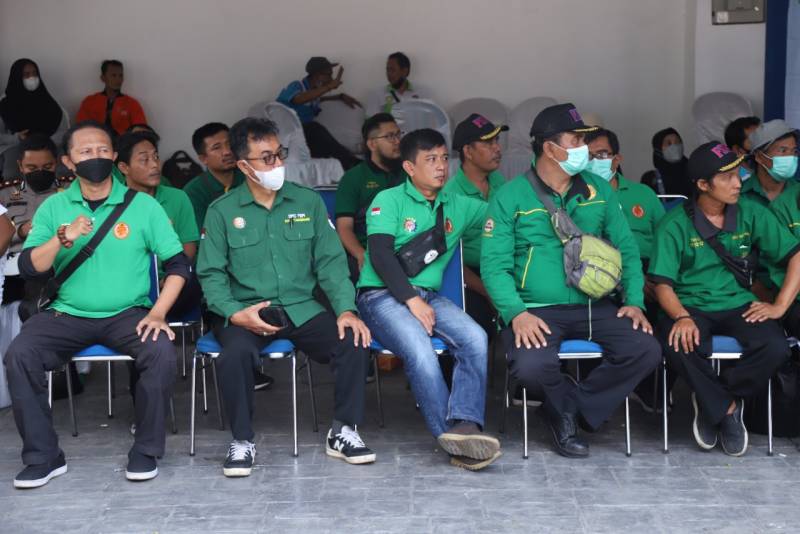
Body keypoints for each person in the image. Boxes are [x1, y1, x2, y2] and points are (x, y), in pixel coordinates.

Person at [5, 120, 190, 488]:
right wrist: (62, 238)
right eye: (86, 151)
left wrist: (158, 313)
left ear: (114, 155)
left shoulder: (143, 206)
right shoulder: (55, 207)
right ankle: (43, 457)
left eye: (103, 150)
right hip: (66, 314)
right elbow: (29, 267)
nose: (96, 157)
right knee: (20, 355)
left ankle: (146, 450)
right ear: (68, 161)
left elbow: (178, 265)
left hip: (129, 314)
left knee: (161, 352)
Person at [197, 117, 375, 476]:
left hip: (301, 307)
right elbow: (210, 274)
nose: (277, 163)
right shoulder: (222, 212)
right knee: (234, 355)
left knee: (353, 341)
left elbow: (331, 263)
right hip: (245, 310)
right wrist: (234, 313)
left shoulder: (307, 201)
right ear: (243, 165)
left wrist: (345, 309)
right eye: (267, 158)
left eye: (280, 154)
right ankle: (242, 440)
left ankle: (343, 430)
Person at [481, 103, 661, 458]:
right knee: (530, 368)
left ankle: (565, 410)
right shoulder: (510, 196)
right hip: (535, 310)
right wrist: (516, 313)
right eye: (576, 140)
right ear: (550, 148)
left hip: (595, 305)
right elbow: (494, 267)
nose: (584, 148)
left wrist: (634, 301)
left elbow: (626, 249)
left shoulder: (599, 189)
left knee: (645, 349)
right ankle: (567, 411)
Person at [357, 128, 501, 471]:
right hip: (381, 296)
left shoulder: (458, 205)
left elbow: (502, 216)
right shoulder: (388, 200)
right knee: (421, 351)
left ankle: (466, 423)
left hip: (428, 297)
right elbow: (380, 255)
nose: (441, 166)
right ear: (409, 167)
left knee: (475, 337)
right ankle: (451, 436)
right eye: (431, 159)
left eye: (444, 158)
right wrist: (411, 300)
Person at [650, 141, 800, 457]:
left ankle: (715, 401)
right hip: (690, 305)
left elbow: (796, 256)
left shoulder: (750, 213)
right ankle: (727, 408)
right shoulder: (674, 224)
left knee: (775, 347)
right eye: (727, 177)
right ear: (703, 185)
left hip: (738, 303)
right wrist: (682, 317)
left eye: (737, 173)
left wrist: (780, 306)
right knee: (679, 344)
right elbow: (662, 285)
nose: (738, 182)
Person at [443, 113, 507, 338]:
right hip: (470, 277)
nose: (497, 148)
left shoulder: (499, 181)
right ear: (468, 152)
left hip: (504, 270)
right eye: (488, 144)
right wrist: (489, 291)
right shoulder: (451, 195)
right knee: (478, 328)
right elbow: (452, 260)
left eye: (496, 141)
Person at [335, 113, 404, 282]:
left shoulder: (410, 172)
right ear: (372, 144)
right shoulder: (354, 178)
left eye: (398, 134)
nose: (397, 141)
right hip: (368, 251)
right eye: (390, 136)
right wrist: (361, 255)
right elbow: (344, 227)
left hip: (406, 249)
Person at [0, 134, 61, 304]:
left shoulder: (69, 192)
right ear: (20, 166)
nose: (40, 172)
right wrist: (20, 231)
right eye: (32, 168)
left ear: (56, 163)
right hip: (13, 270)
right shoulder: (5, 195)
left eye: (47, 166)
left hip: (55, 263)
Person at [752, 121, 800, 333]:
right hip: (759, 288)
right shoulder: (738, 197)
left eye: (794, 151)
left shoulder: (795, 194)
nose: (790, 157)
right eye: (782, 150)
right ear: (759, 156)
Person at [277, 56, 361, 170]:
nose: (331, 78)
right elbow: (298, 99)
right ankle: (351, 163)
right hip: (288, 137)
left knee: (327, 147)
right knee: (314, 128)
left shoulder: (314, 92)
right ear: (317, 75)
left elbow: (316, 99)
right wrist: (329, 87)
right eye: (328, 75)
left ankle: (348, 164)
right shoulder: (297, 85)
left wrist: (339, 96)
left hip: (304, 141)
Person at [0, 58, 69, 179]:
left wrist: (45, 142)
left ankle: (59, 191)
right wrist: (17, 138)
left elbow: (64, 133)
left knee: (63, 169)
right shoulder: (4, 106)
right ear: (17, 77)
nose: (32, 78)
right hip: (16, 147)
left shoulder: (49, 103)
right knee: (11, 171)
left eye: (34, 73)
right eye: (26, 75)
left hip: (49, 146)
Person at [184, 123, 245, 230]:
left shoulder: (249, 177)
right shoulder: (193, 192)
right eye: (217, 148)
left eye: (229, 144)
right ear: (203, 159)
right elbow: (203, 233)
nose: (227, 151)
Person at [76, 60, 147, 136]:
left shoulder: (132, 104)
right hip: (95, 141)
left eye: (120, 75)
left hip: (123, 142)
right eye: (113, 75)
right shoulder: (89, 102)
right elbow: (80, 129)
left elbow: (141, 130)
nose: (118, 79)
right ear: (103, 78)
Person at [365, 52, 431, 116]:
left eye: (392, 70)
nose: (389, 74)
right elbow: (371, 122)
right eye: (387, 70)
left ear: (404, 71)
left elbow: (429, 118)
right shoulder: (377, 95)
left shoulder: (422, 94)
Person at [641, 127, 693, 198]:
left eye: (677, 142)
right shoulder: (650, 179)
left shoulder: (694, 172)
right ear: (658, 149)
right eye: (669, 143)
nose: (674, 146)